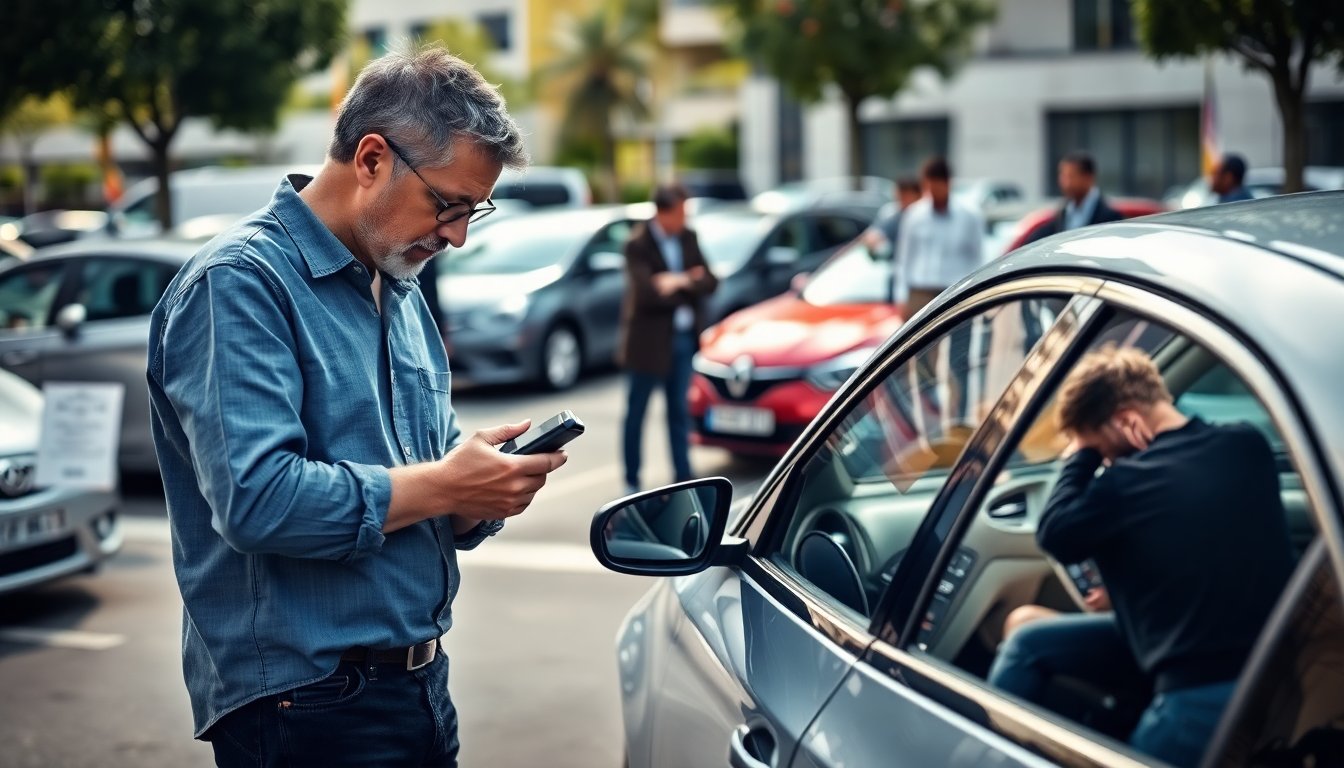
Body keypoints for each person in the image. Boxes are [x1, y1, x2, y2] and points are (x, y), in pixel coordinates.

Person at [146, 48, 569, 767]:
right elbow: (257, 498)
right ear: (372, 158)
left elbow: (415, 483)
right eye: (449, 205)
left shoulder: (397, 287)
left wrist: (472, 495)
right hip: (307, 707)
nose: (459, 235)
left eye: (475, 211)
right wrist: (443, 484)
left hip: (417, 687)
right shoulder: (239, 284)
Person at [993, 346, 1293, 768]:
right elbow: (1207, 546)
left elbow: (1056, 533)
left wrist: (1081, 455)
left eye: (1102, 450)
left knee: (1025, 649)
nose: (1105, 462)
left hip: (1199, 688)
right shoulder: (1248, 445)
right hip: (1282, 664)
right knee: (1027, 638)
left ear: (1129, 422)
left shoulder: (1125, 485)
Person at [618, 183, 718, 496]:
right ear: (663, 212)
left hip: (684, 339)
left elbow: (711, 282)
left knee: (679, 412)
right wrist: (690, 280)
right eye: (680, 213)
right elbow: (647, 294)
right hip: (648, 345)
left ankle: (684, 478)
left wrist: (676, 281)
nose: (684, 219)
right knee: (637, 413)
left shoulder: (689, 237)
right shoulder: (638, 243)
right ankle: (632, 480)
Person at [892, 156, 984, 318]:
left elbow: (977, 257)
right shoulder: (914, 215)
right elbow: (904, 258)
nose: (933, 193)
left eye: (937, 187)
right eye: (929, 187)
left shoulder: (969, 216)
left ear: (948, 183)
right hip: (919, 293)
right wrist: (900, 296)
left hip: (954, 293)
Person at [1022, 151, 1123, 245]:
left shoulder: (1111, 217)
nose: (1065, 183)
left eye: (1071, 176)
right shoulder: (1062, 213)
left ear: (1089, 178)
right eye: (1063, 175)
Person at [862, 176, 922, 260]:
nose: (901, 200)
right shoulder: (892, 212)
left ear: (917, 195)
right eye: (899, 196)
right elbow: (873, 235)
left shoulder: (923, 216)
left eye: (905, 196)